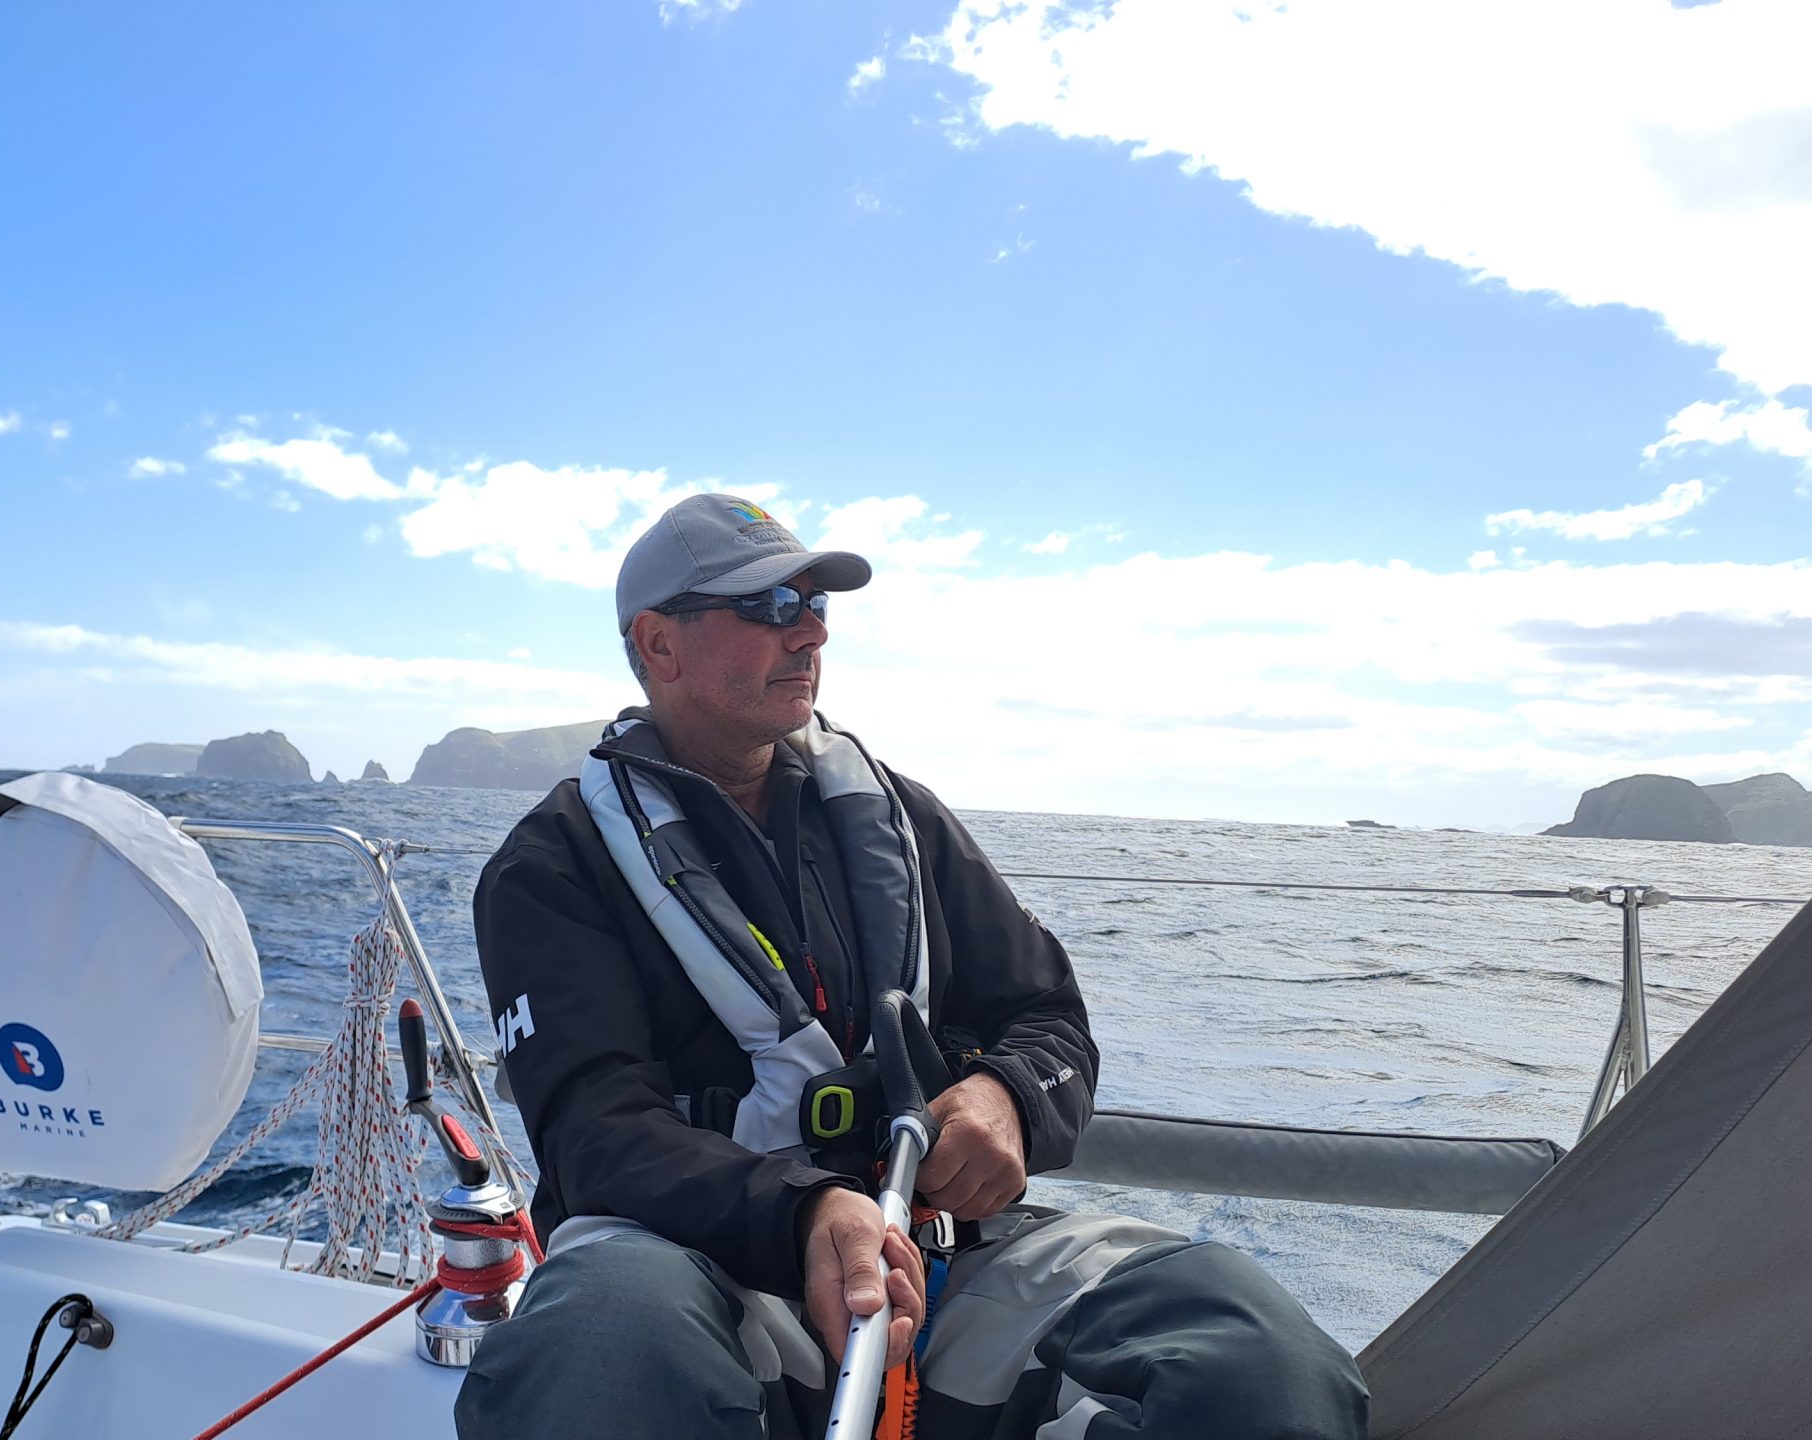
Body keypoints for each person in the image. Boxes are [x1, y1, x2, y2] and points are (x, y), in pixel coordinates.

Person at [456, 494, 1367, 1440]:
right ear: (658, 644)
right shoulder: (552, 865)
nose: (810, 631)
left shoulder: (900, 819)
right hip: (695, 1261)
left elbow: (1048, 1016)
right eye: (768, 606)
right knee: (602, 1358)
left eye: (815, 604)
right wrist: (803, 1214)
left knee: (1256, 1358)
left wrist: (1008, 1097)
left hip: (946, 1258)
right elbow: (595, 1130)